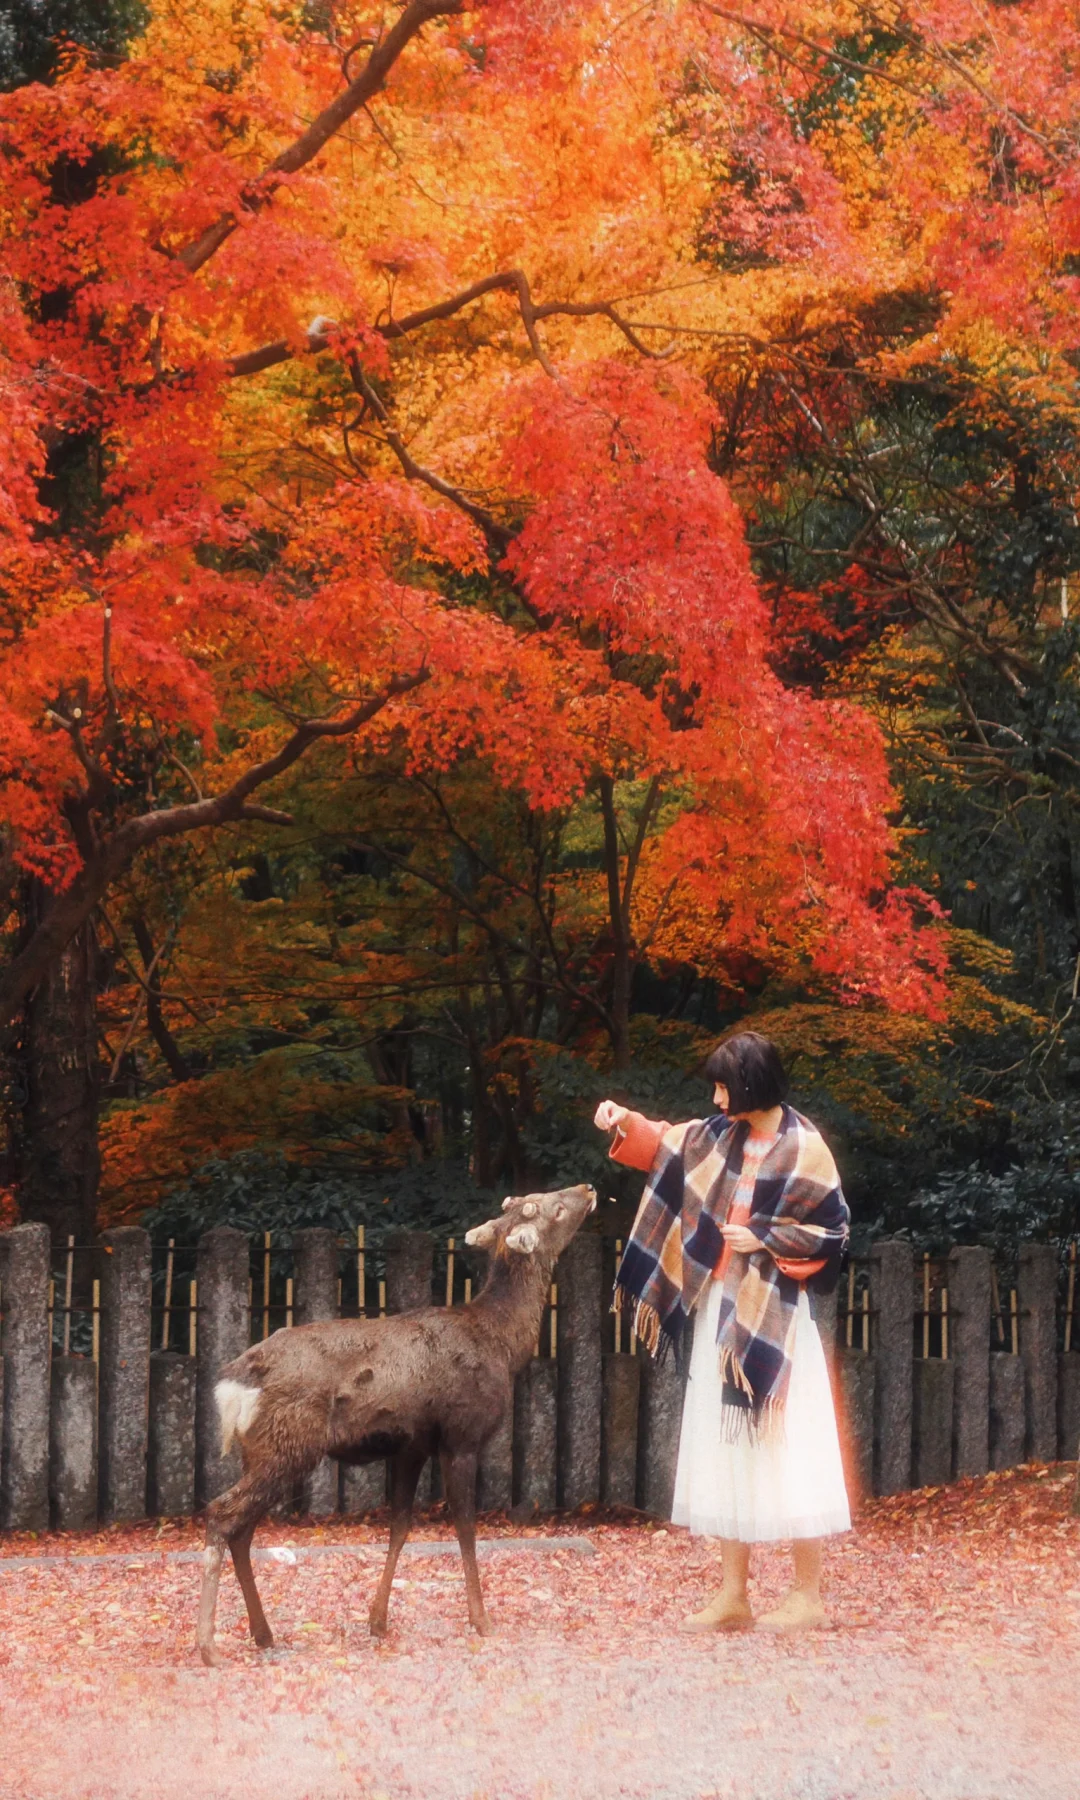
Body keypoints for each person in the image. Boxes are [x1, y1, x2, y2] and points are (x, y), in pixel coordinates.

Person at [594, 1030, 851, 1633]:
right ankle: (733, 1594)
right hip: (719, 1309)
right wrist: (621, 1119)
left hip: (776, 1320)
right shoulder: (716, 1136)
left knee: (788, 1445)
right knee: (727, 1443)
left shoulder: (805, 1146)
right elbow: (663, 1142)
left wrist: (764, 1237)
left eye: (722, 1086)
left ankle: (806, 1595)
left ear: (750, 1086)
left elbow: (834, 1235)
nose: (714, 1097)